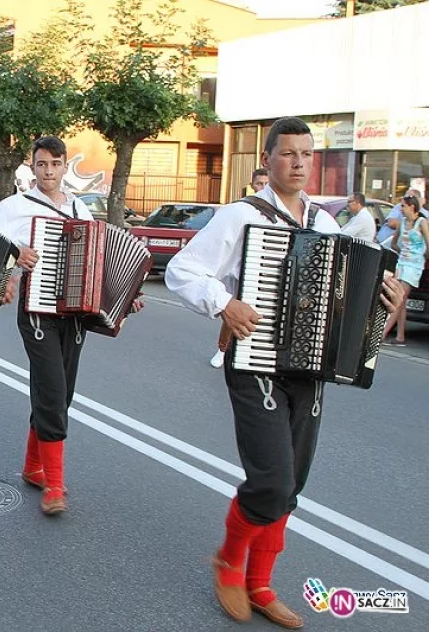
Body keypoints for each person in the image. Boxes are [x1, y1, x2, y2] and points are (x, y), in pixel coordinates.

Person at [165, 117, 404, 629]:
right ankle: (230, 559)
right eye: (288, 153)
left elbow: (348, 305)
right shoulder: (239, 216)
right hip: (256, 364)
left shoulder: (325, 225)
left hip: (308, 370)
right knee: (271, 480)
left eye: (305, 154)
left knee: (292, 484)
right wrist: (224, 303)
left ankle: (261, 583)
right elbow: (182, 270)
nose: (298, 162)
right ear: (268, 161)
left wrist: (386, 304)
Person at [0, 136, 141, 516]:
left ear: (63, 165)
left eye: (55, 164)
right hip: (37, 311)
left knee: (62, 392)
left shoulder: (79, 210)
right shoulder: (14, 206)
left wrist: (125, 296)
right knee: (52, 388)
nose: (49, 171)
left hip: (74, 314)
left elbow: (97, 262)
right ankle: (54, 484)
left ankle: (33, 466)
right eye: (42, 165)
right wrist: (14, 254)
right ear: (32, 167)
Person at [210, 169, 270, 369]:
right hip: (242, 273)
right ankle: (222, 350)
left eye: (266, 183)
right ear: (252, 185)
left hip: (266, 275)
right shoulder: (243, 210)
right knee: (233, 315)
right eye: (259, 183)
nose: (262, 187)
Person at [382, 194, 429, 347]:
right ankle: (400, 337)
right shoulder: (402, 223)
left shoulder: (422, 222)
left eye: (403, 206)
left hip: (414, 266)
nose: (400, 209)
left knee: (399, 298)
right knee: (399, 300)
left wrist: (420, 255)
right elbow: (395, 243)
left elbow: (428, 243)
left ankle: (382, 334)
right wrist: (403, 251)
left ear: (412, 207)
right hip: (402, 263)